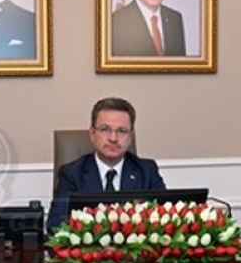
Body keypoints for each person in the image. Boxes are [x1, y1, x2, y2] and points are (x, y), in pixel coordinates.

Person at [47, 97, 166, 230]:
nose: (113, 138)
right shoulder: (72, 174)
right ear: (92, 133)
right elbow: (56, 225)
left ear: (131, 136)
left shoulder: (147, 171)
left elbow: (164, 220)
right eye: (105, 129)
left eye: (122, 131)